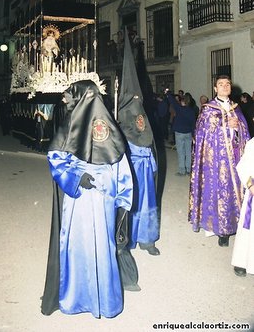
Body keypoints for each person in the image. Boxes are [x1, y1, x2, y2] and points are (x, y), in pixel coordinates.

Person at [41, 80, 133, 319]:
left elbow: (121, 164)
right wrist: (75, 176)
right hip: (79, 196)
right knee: (77, 244)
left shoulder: (107, 125)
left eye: (71, 97)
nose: (67, 102)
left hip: (103, 195)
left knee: (103, 245)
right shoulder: (70, 124)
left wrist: (123, 200)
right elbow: (56, 157)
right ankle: (77, 297)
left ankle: (104, 301)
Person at [189, 74, 250, 247]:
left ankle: (238, 225)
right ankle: (222, 231)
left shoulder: (237, 108)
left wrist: (237, 126)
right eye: (221, 84)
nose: (225, 86)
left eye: (227, 84)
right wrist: (223, 123)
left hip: (236, 159)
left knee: (237, 192)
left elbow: (245, 132)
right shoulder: (208, 109)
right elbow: (201, 132)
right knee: (220, 193)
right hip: (216, 161)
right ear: (215, 89)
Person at [118, 29, 160, 257]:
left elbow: (149, 140)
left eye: (139, 99)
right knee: (131, 205)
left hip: (145, 169)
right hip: (129, 170)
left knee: (148, 204)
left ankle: (148, 239)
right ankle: (128, 239)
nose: (137, 101)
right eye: (132, 99)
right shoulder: (122, 117)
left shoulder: (142, 114)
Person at [231, 137, 254, 276]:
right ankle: (241, 261)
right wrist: (251, 185)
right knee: (248, 229)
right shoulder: (253, 144)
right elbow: (243, 166)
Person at [165, 90, 196, 176]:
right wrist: (194, 135)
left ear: (183, 101)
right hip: (188, 133)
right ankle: (189, 170)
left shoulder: (179, 109)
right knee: (188, 152)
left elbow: (172, 101)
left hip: (179, 133)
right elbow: (193, 124)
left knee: (181, 152)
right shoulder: (191, 111)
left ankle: (182, 170)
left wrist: (168, 93)